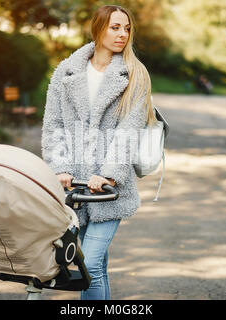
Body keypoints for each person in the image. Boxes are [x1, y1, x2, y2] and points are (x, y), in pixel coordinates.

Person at [41, 4, 156, 300]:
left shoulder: (135, 75)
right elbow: (54, 125)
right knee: (96, 266)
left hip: (109, 190)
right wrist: (59, 167)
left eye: (126, 28)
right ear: (98, 28)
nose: (122, 34)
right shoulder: (66, 71)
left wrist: (108, 175)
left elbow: (130, 130)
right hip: (75, 190)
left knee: (88, 264)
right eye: (115, 27)